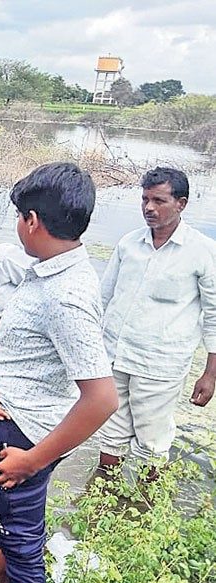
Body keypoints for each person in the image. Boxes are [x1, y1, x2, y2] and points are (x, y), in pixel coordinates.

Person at [0, 162, 118, 583]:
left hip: (25, 435)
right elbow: (3, 321)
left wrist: (32, 461)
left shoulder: (67, 296)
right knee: (2, 520)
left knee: (23, 544)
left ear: (32, 221)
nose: (17, 226)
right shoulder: (45, 272)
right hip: (7, 418)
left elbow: (102, 399)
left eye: (18, 217)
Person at [99, 167, 216, 474]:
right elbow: (103, 299)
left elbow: (214, 316)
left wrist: (210, 374)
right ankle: (98, 505)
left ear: (182, 203)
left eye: (159, 200)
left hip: (160, 365)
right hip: (115, 356)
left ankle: (147, 507)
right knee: (110, 432)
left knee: (152, 442)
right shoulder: (129, 244)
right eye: (145, 199)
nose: (149, 208)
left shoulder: (203, 252)